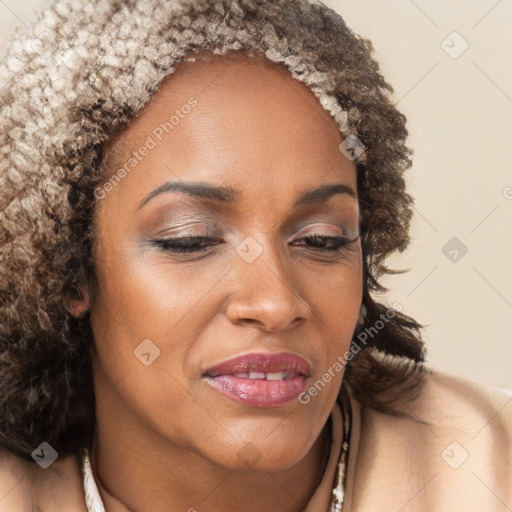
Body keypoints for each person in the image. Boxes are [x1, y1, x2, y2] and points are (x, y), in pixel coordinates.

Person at [0, 0, 510, 511]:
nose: (274, 302)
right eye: (190, 239)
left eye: (322, 239)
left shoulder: (487, 468)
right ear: (67, 270)